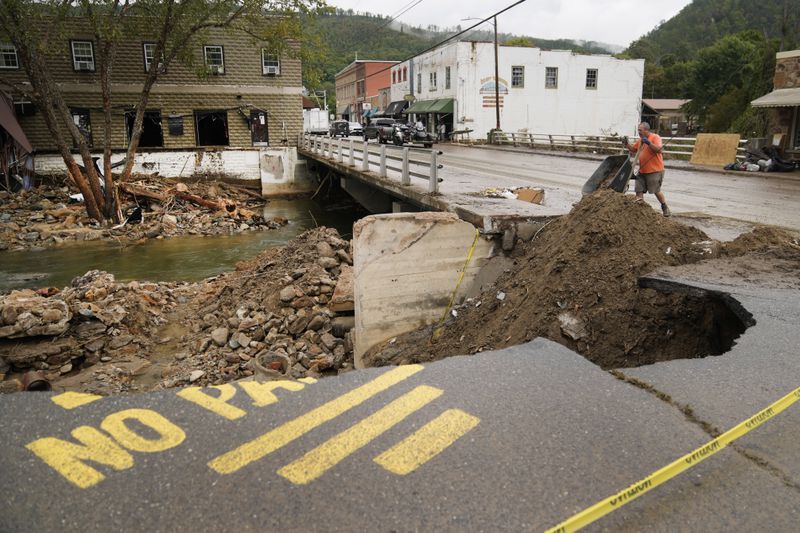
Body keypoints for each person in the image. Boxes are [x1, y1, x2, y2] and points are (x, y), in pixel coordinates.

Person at [622, 122, 671, 217]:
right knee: (639, 190)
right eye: (638, 130)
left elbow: (659, 150)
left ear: (646, 130)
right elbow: (633, 149)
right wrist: (626, 144)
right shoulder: (640, 140)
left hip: (655, 170)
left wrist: (648, 143)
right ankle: (640, 212)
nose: (638, 132)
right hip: (642, 170)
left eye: (640, 130)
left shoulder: (655, 137)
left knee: (655, 190)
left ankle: (664, 207)